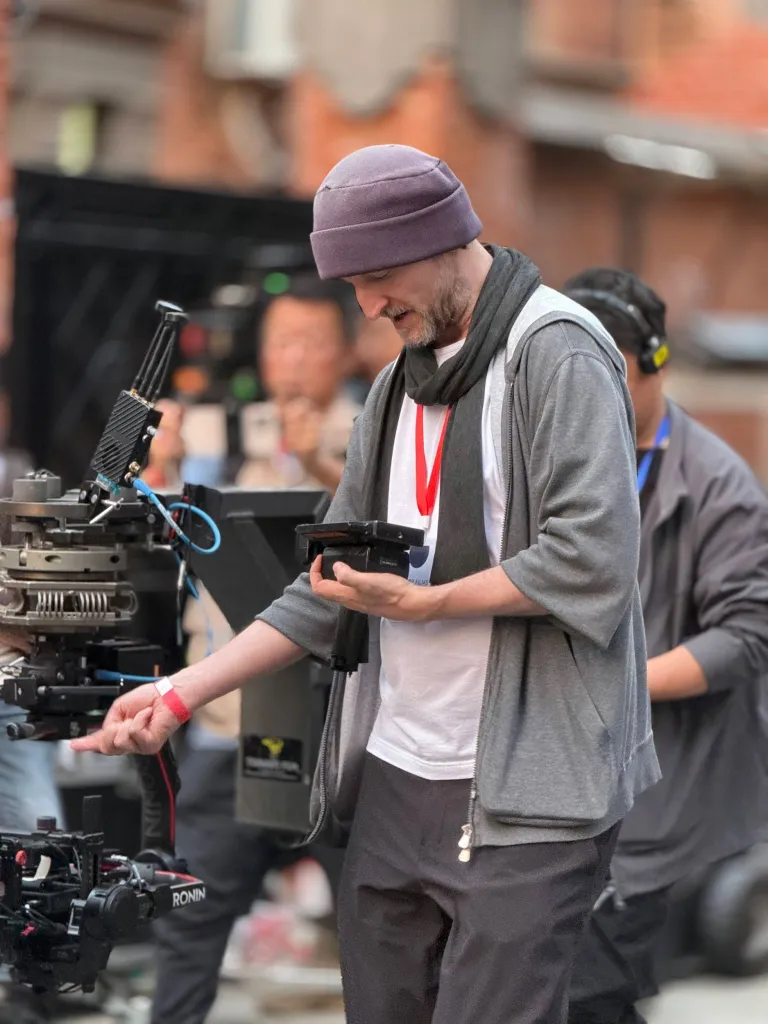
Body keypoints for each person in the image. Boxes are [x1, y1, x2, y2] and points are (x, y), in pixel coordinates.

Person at [71, 144, 660, 1024]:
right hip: (395, 770)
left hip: (532, 789)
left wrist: (429, 602)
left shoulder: (557, 355)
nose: (368, 305)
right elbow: (328, 586)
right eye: (351, 285)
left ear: (448, 240)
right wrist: (182, 693)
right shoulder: (394, 387)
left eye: (379, 276)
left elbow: (594, 559)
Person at [150, 277, 358, 1024]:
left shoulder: (379, 430)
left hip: (340, 732)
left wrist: (329, 468)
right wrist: (161, 468)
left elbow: (407, 543)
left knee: (377, 929)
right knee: (190, 918)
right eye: (279, 343)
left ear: (347, 349)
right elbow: (174, 536)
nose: (292, 361)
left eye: (309, 343)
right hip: (229, 726)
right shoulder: (222, 432)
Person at [562, 268, 768, 1024]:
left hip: (658, 796)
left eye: (608, 372)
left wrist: (615, 682)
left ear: (654, 364)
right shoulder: (551, 463)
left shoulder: (719, 486)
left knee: (589, 993)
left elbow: (745, 641)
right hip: (553, 785)